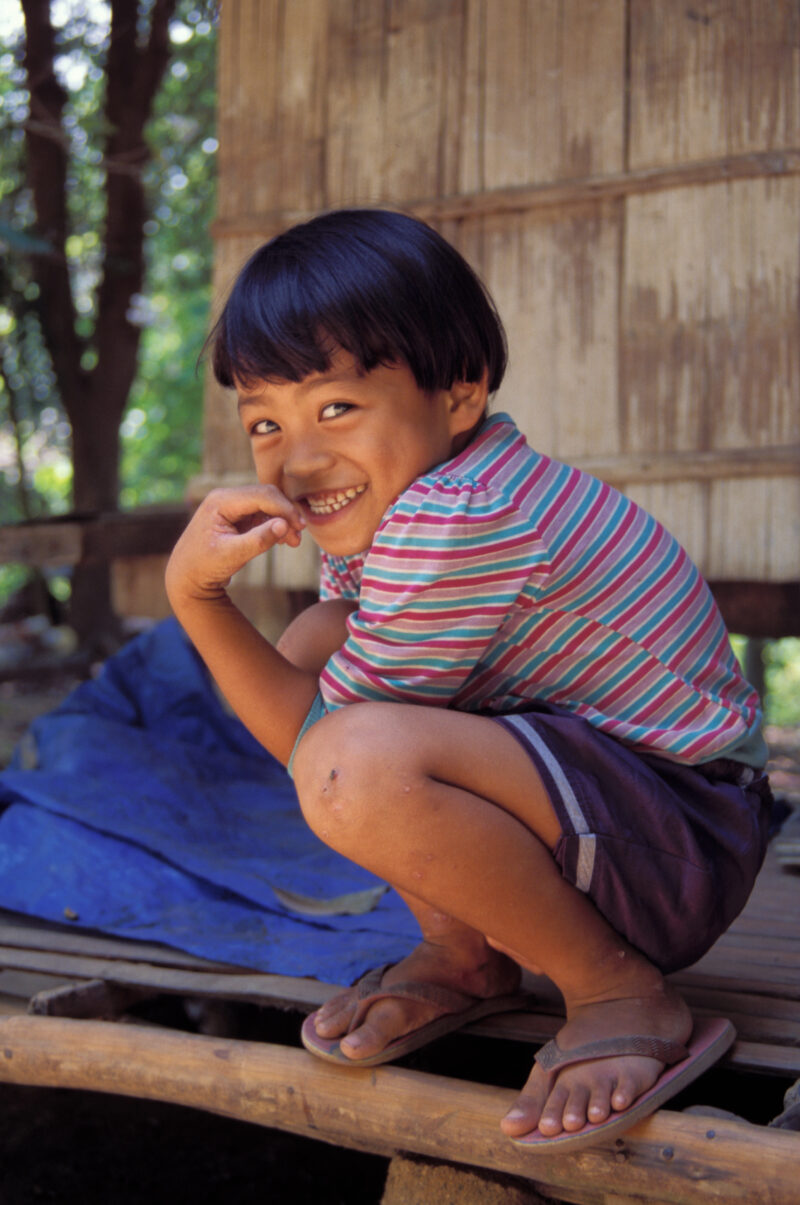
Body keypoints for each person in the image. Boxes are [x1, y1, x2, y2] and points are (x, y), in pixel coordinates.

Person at [165, 208, 772, 1151]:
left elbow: (319, 750)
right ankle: (467, 956)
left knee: (351, 760)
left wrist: (198, 602)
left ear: (459, 393)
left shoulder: (459, 516)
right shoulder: (408, 511)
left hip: (684, 837)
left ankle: (616, 986)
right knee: (326, 644)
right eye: (264, 422)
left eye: (335, 407)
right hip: (630, 820)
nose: (298, 455)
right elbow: (322, 711)